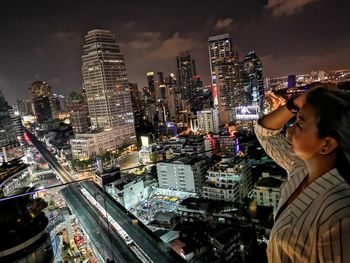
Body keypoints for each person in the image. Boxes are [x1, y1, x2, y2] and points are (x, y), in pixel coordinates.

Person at [255, 84, 350, 262]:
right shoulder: (299, 168)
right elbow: (265, 133)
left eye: (299, 124)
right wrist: (296, 103)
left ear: (327, 143)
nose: (289, 130)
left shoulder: (340, 215)